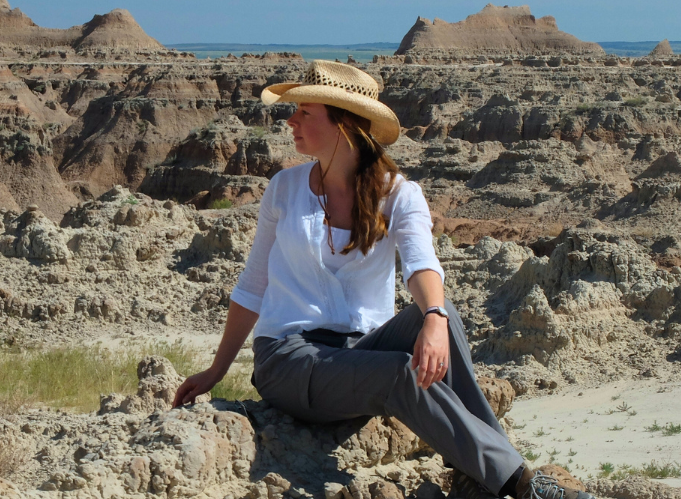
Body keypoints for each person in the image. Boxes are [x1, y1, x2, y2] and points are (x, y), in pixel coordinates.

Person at [172, 61, 592, 499]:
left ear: (345, 126)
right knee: (398, 372)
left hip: (359, 354)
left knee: (442, 311)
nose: (290, 121)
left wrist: (432, 316)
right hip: (288, 361)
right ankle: (522, 485)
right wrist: (217, 369)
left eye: (304, 112)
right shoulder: (284, 188)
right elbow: (253, 283)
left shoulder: (398, 193)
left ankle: (479, 474)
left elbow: (420, 261)